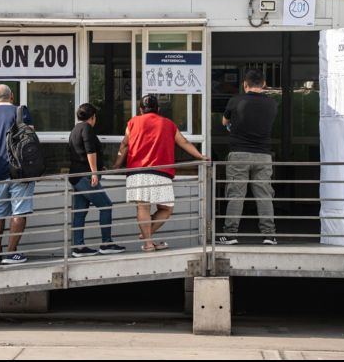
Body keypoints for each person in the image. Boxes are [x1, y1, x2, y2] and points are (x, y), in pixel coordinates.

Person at [114, 95, 207, 252]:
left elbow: (124, 144)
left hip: (137, 172)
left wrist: (117, 165)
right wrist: (200, 156)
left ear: (141, 110)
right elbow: (183, 142)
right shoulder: (168, 124)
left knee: (142, 207)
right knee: (166, 208)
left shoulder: (133, 122)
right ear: (158, 109)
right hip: (161, 172)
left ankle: (147, 240)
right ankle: (148, 238)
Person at [218, 69, 279, 245]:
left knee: (236, 195)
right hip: (263, 155)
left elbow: (224, 122)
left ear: (245, 84)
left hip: (239, 155)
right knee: (264, 195)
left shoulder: (236, 100)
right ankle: (269, 235)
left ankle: (230, 234)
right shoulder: (272, 103)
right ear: (264, 84)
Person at [0, 84, 35, 265]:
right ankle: (11, 253)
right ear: (11, 96)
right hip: (20, 171)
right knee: (19, 211)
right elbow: (31, 141)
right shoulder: (21, 112)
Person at [68, 103, 125, 257]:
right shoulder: (87, 128)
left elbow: (80, 153)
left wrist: (100, 168)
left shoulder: (75, 129)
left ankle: (78, 247)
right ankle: (106, 243)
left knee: (80, 212)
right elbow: (90, 151)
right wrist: (94, 172)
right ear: (92, 117)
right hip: (85, 176)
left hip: (76, 176)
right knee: (106, 205)